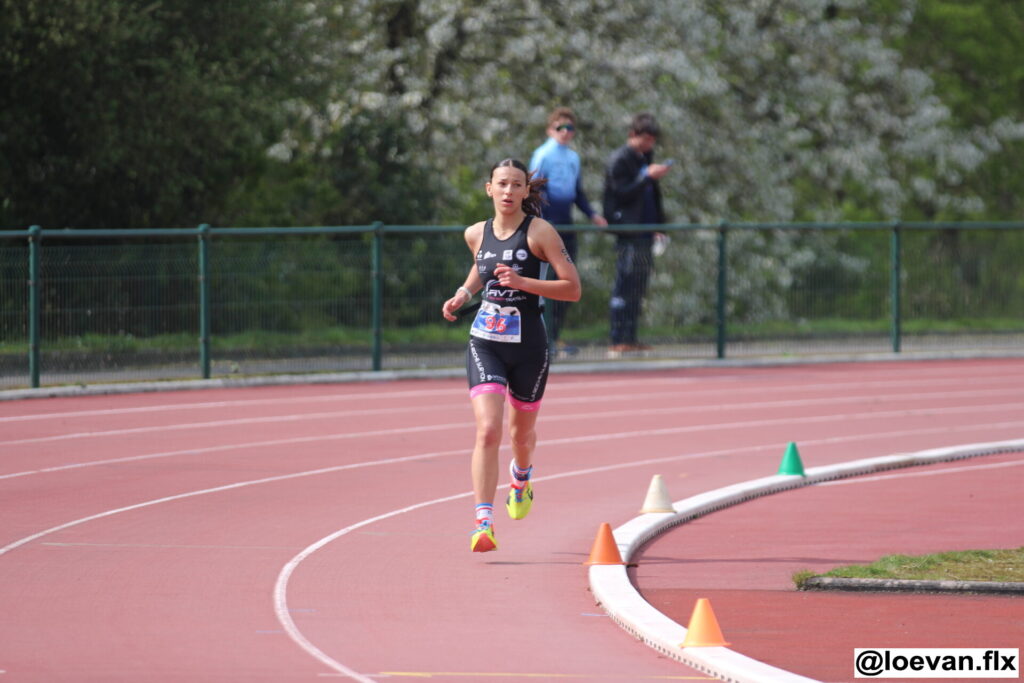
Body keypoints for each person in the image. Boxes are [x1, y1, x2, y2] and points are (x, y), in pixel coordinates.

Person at [442, 158, 582, 553]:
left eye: (516, 184)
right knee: (488, 429)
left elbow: (572, 289)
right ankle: (483, 523)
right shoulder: (475, 233)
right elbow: (481, 266)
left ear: (525, 191)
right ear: (489, 188)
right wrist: (463, 294)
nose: (508, 191)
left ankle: (521, 477)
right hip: (485, 340)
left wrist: (523, 282)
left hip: (529, 346)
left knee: (521, 435)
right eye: (501, 183)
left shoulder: (540, 232)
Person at [528, 107, 607, 356]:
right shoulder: (542, 155)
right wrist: (539, 224)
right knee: (544, 282)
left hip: (567, 226)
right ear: (550, 130)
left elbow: (577, 193)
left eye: (569, 128)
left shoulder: (573, 158)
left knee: (566, 281)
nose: (565, 132)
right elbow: (534, 190)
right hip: (547, 227)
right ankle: (540, 338)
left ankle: (554, 336)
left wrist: (593, 214)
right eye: (560, 127)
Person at [602, 112, 672, 355]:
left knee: (638, 287)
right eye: (646, 139)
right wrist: (645, 177)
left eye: (652, 140)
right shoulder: (620, 159)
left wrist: (659, 227)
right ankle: (617, 339)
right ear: (633, 135)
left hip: (645, 231)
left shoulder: (646, 157)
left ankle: (630, 337)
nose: (649, 144)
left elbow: (653, 197)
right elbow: (621, 194)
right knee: (625, 285)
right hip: (628, 231)